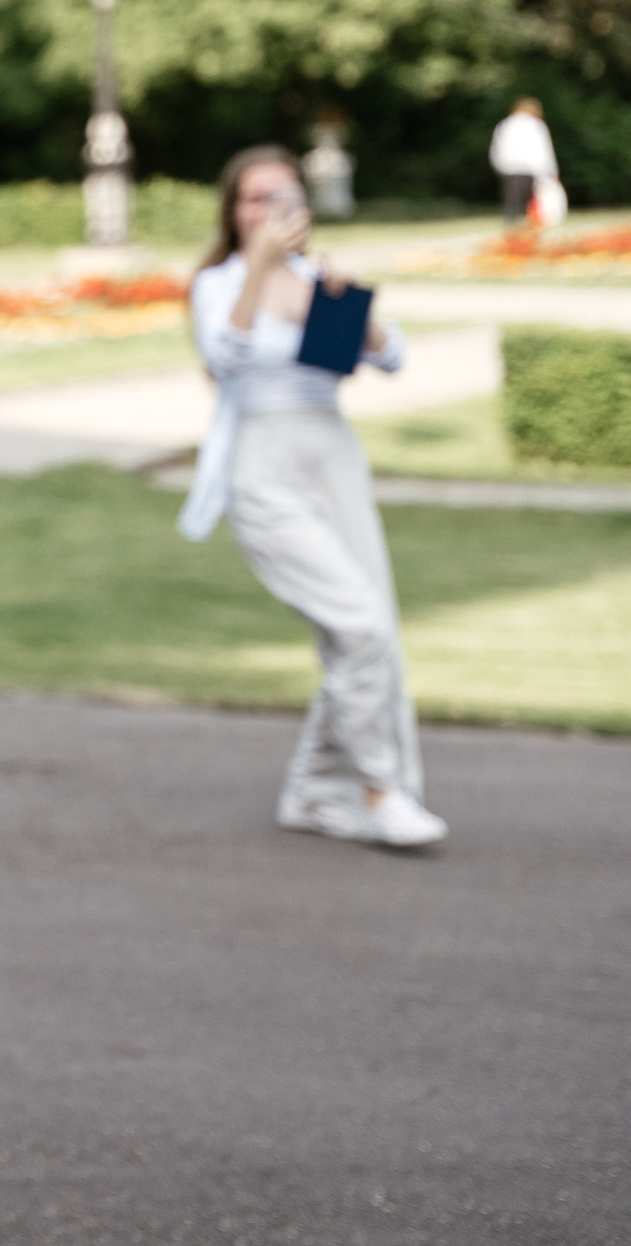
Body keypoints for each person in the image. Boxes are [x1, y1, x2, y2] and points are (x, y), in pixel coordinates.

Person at [177, 146, 448, 851]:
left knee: (366, 629)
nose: (270, 210)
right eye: (255, 198)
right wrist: (259, 269)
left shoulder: (316, 279)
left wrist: (352, 306)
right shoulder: (219, 282)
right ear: (234, 211)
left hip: (332, 457)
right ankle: (380, 789)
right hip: (263, 464)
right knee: (359, 626)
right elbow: (223, 357)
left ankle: (317, 791)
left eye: (284, 196)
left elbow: (389, 358)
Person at [489, 96, 558, 226]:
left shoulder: (506, 124)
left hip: (509, 169)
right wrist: (550, 171)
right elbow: (543, 150)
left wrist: (499, 165)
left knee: (512, 199)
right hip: (531, 168)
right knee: (531, 199)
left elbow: (498, 148)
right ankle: (530, 224)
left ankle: (511, 224)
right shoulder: (536, 125)